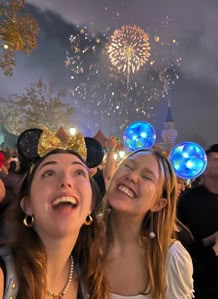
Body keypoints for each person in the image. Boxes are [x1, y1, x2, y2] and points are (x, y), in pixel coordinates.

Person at [82, 149, 194, 299]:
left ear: (158, 204)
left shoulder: (169, 258)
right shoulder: (80, 235)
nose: (132, 176)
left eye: (147, 177)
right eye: (128, 166)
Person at [0, 127, 97, 299]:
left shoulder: (92, 281)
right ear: (27, 204)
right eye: (49, 173)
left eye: (79, 172)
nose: (66, 181)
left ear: (90, 206)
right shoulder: (3, 277)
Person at [178, 144, 218, 299]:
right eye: (214, 159)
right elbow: (180, 246)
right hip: (199, 285)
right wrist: (207, 242)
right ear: (202, 168)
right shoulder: (188, 201)